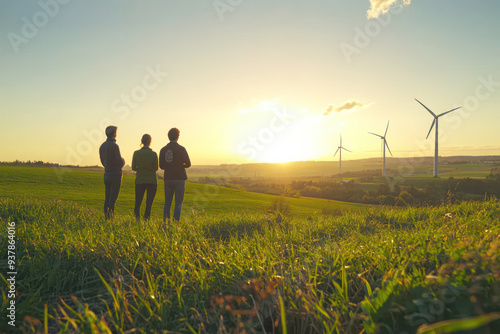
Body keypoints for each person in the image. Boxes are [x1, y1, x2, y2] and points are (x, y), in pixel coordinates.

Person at [159, 128, 191, 223]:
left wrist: (170, 165)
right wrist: (180, 165)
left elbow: (161, 166)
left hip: (168, 178)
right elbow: (188, 164)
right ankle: (176, 222)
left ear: (168, 136)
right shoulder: (182, 149)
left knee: (167, 202)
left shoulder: (163, 149)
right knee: (178, 203)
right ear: (178, 137)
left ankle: (166, 222)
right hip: (180, 178)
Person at [99, 125, 125, 219]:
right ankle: (110, 218)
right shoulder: (115, 146)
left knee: (107, 198)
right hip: (115, 175)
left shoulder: (102, 146)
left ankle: (106, 217)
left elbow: (102, 161)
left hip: (107, 174)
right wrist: (123, 161)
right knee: (113, 200)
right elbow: (119, 162)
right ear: (114, 134)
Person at [132, 134, 158, 221]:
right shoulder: (154, 154)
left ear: (141, 141)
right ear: (150, 142)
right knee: (149, 203)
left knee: (138, 202)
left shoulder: (136, 153)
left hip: (140, 180)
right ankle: (146, 219)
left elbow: (133, 168)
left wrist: (141, 168)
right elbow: (156, 168)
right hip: (151, 180)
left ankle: (136, 219)